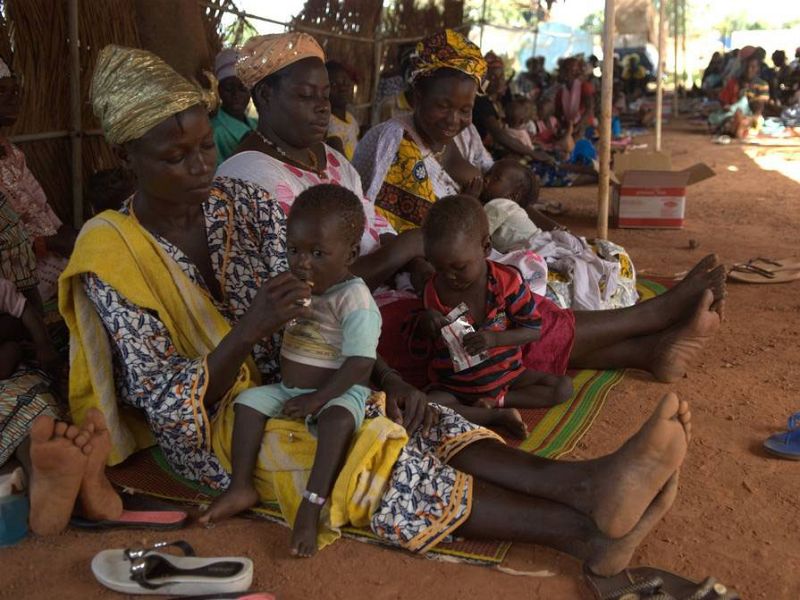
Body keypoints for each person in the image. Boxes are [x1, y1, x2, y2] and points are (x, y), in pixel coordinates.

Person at [65, 42, 698, 576]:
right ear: (127, 159)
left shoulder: (233, 201)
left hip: (299, 374)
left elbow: (320, 307)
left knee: (408, 415)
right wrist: (252, 330)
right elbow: (165, 403)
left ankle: (586, 486)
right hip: (217, 432)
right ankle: (580, 532)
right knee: (364, 458)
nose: (201, 166)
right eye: (175, 158)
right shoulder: (112, 252)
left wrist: (382, 377)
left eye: (204, 147)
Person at [201, 185, 382, 558]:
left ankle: (311, 505)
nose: (302, 263)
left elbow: (361, 363)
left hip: (338, 391)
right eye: (294, 250)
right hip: (289, 390)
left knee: (336, 422)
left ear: (350, 254)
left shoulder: (355, 298)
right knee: (248, 403)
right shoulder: (299, 288)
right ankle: (240, 486)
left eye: (318, 253)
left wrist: (320, 398)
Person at [217, 32, 422, 291]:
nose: (323, 107)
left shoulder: (332, 159)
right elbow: (308, 283)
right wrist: (400, 252)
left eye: (325, 95)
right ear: (265, 95)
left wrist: (415, 264)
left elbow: (375, 226)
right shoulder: (250, 176)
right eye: (306, 95)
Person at [417, 195, 573, 414]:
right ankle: (490, 416)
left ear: (486, 247)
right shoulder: (432, 290)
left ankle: (497, 404)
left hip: (508, 376)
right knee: (427, 405)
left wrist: (494, 339)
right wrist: (428, 321)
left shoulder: (506, 282)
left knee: (562, 387)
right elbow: (426, 341)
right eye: (439, 268)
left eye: (459, 267)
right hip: (455, 388)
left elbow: (533, 331)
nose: (449, 276)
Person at [354, 30, 495, 235]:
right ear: (418, 96)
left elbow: (496, 176)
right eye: (443, 106)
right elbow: (417, 235)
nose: (453, 119)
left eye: (465, 110)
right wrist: (470, 202)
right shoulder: (398, 141)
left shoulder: (466, 135)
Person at [479, 159, 637, 310]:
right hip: (540, 242)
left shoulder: (498, 205)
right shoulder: (505, 206)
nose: (485, 180)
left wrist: (469, 198)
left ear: (513, 196)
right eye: (487, 175)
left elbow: (476, 233)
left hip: (533, 245)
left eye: (495, 178)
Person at [0, 57, 76, 302]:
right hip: (16, 274)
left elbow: (44, 209)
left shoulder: (14, 155)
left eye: (15, 90)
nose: (14, 98)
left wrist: (72, 235)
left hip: (51, 256)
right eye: (2, 90)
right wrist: (49, 243)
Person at [210, 48, 257, 166]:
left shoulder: (257, 124)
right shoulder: (214, 131)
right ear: (219, 90)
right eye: (229, 89)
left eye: (242, 88)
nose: (236, 95)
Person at [710, 56, 769, 138]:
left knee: (754, 122)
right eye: (747, 67)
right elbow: (724, 99)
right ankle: (738, 127)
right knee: (722, 119)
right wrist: (726, 106)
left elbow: (760, 106)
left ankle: (738, 127)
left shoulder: (762, 84)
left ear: (758, 69)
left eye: (753, 67)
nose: (749, 70)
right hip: (732, 114)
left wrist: (752, 117)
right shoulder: (734, 81)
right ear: (742, 67)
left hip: (752, 115)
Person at [324, 60, 360, 160]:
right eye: (334, 85)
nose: (342, 88)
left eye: (345, 81)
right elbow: (341, 162)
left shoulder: (350, 118)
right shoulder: (330, 123)